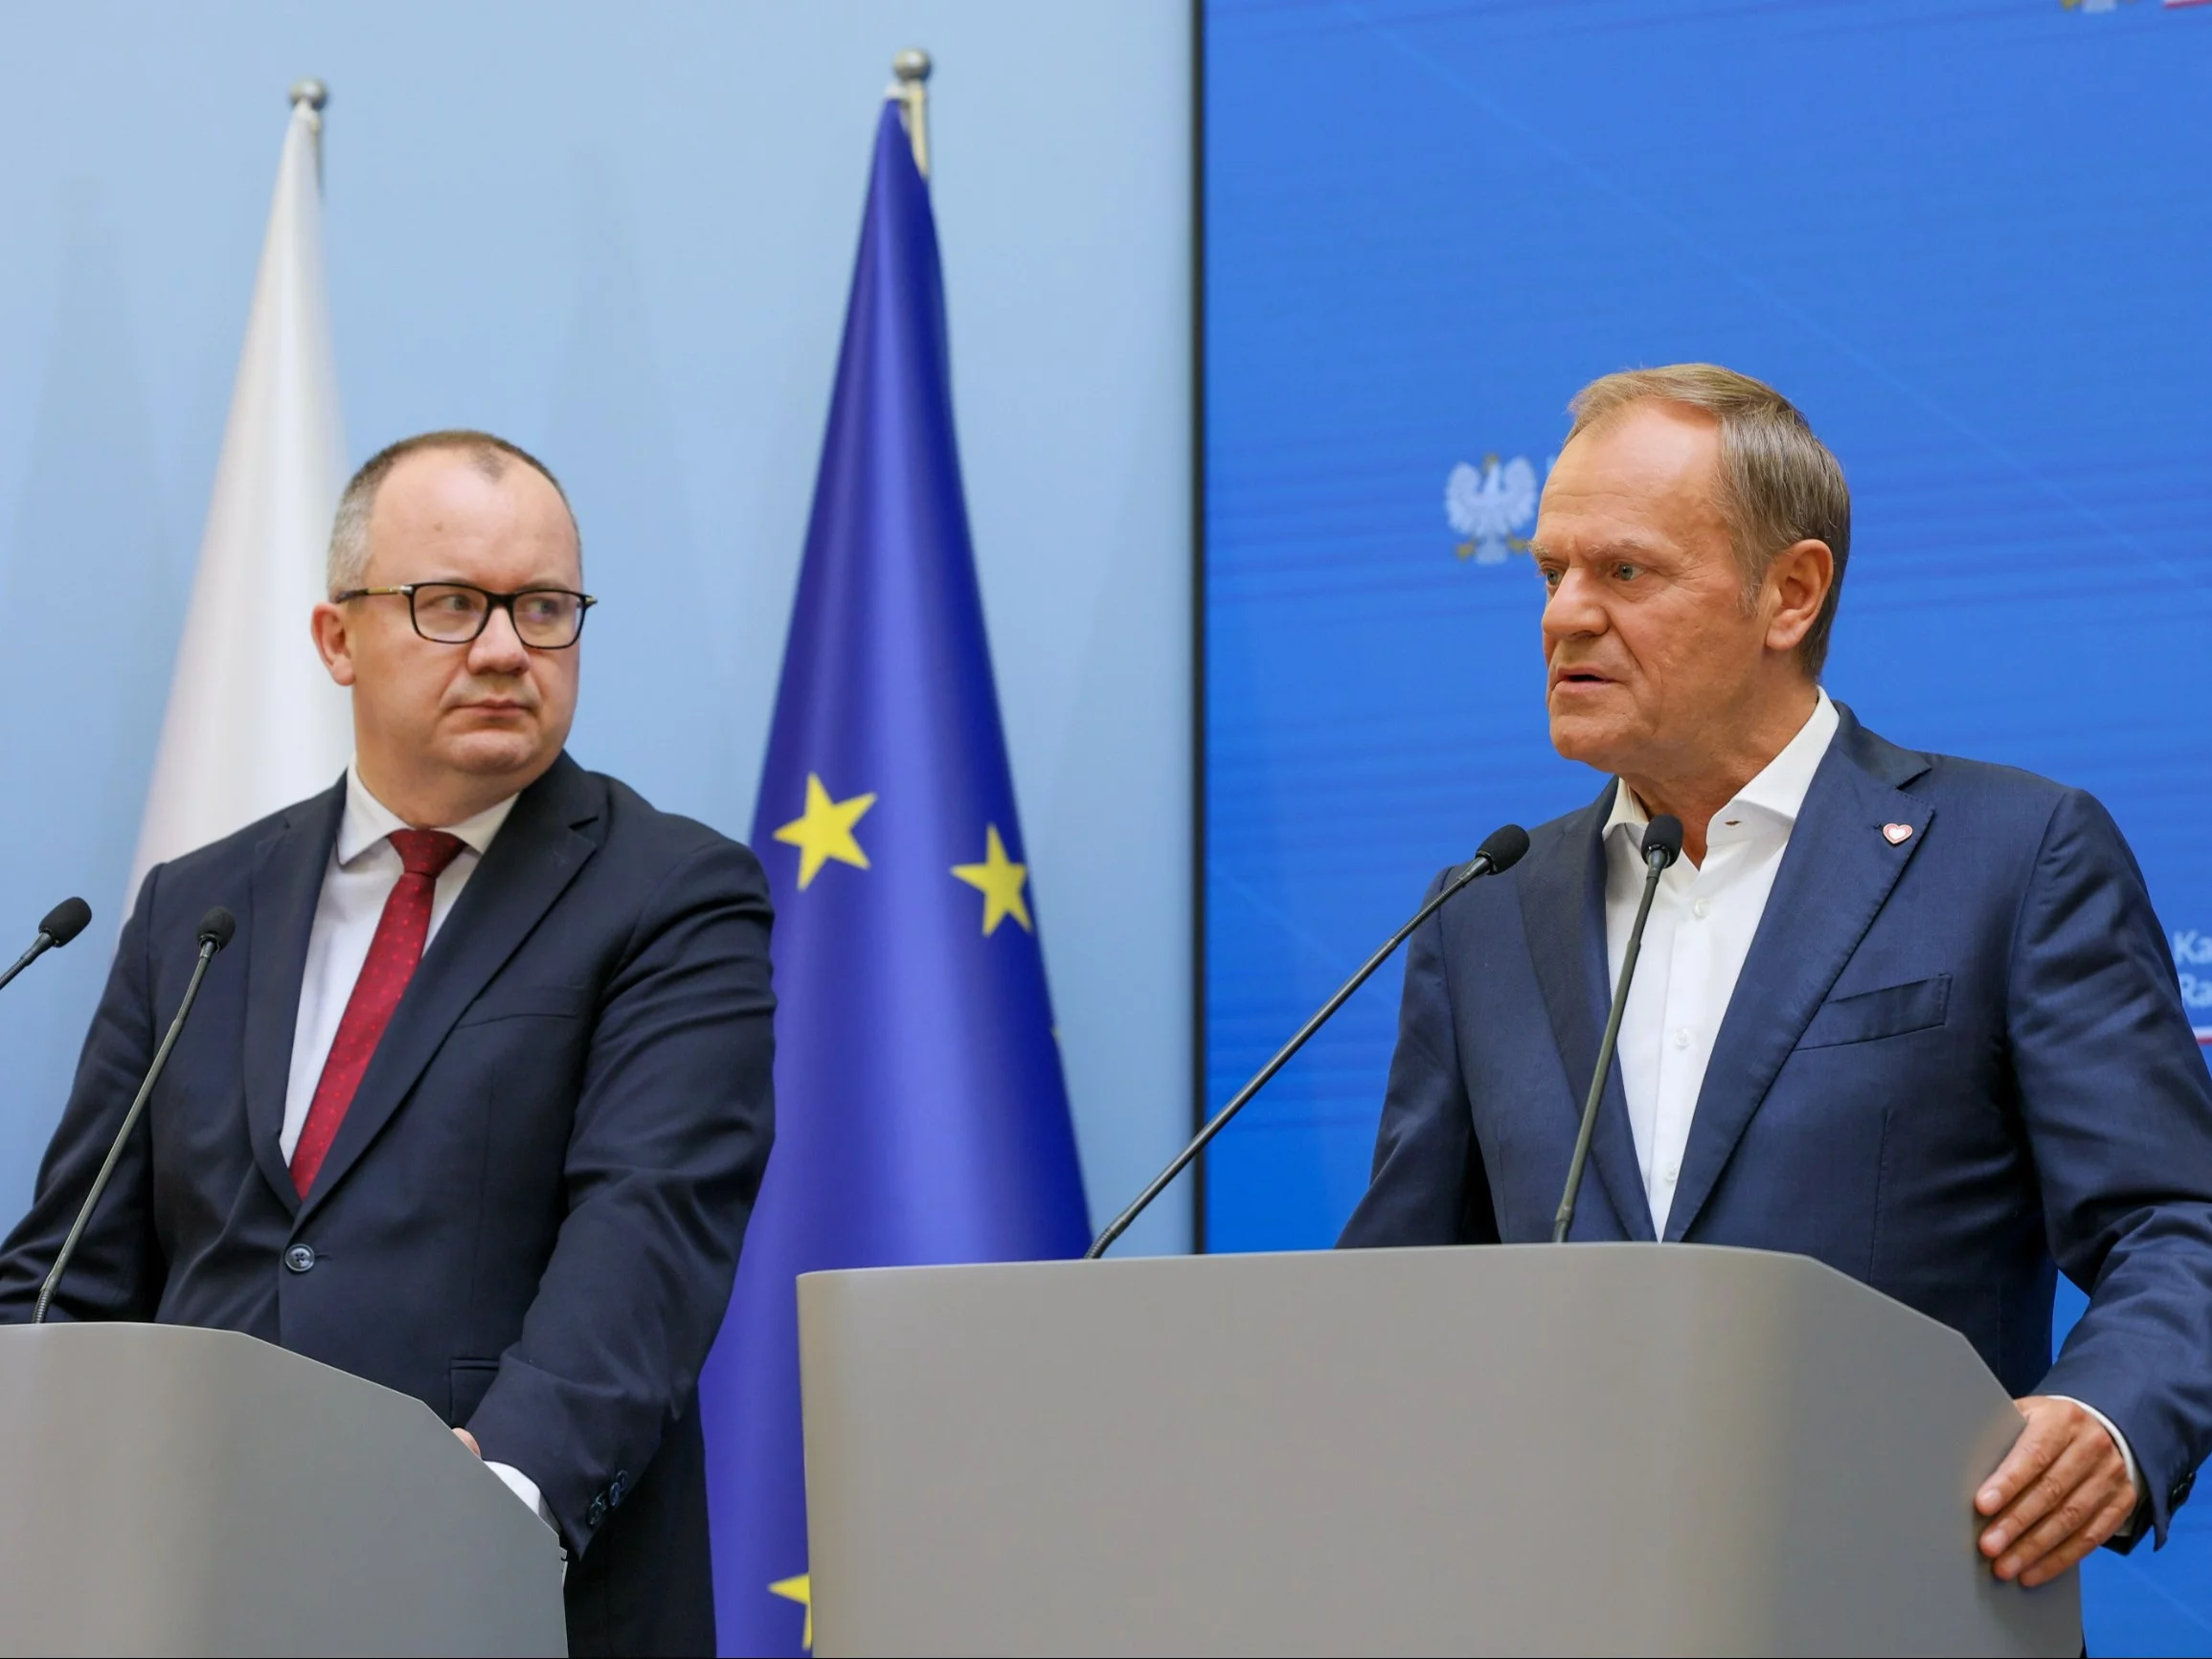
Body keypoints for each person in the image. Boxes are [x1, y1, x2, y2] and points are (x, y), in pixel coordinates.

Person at [1340, 365, 2212, 1589]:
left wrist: (2113, 1416)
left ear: (1789, 593)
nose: (1565, 615)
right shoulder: (1486, 908)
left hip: (1905, 1596)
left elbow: (2180, 1220)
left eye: (1625, 572)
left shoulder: (2013, 857)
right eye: (1551, 572)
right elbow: (1393, 1302)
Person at [0, 430, 776, 1657]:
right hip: (183, 1588)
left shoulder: (673, 895)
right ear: (335, 637)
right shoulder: (200, 907)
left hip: (505, 1592)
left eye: (546, 607)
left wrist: (482, 1511)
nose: (509, 647)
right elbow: (69, 1278)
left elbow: (647, 1233)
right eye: (453, 603)